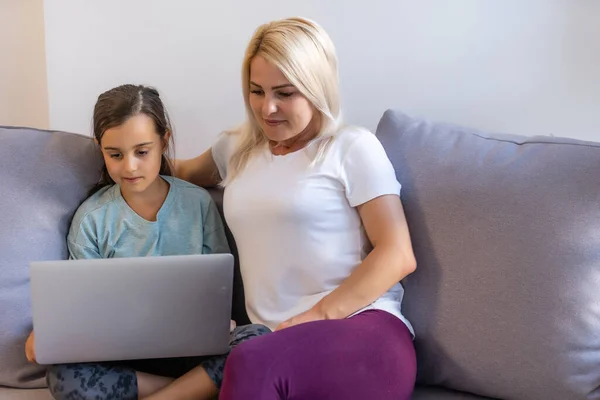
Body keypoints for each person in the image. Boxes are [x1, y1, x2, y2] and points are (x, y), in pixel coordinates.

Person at [176, 17, 418, 400]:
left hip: (363, 330)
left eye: (285, 93)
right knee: (251, 358)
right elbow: (175, 171)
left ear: (316, 87)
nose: (267, 108)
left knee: (249, 360)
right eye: (257, 91)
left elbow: (398, 253)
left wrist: (313, 318)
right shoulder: (235, 150)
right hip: (271, 346)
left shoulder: (352, 147)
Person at [24, 84, 269, 400]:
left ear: (163, 141)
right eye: (115, 154)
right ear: (101, 148)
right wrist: (51, 332)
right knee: (64, 377)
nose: (129, 166)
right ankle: (188, 392)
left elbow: (219, 290)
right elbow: (83, 308)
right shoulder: (92, 219)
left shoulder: (197, 204)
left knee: (258, 340)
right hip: (127, 358)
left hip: (195, 352)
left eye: (142, 151)